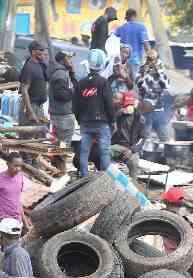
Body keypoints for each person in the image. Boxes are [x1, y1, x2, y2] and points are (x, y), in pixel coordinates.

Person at [73, 49, 114, 177]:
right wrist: (112, 120)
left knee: (84, 152)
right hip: (102, 122)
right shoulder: (103, 82)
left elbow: (75, 105)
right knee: (104, 151)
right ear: (102, 64)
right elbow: (109, 103)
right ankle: (105, 179)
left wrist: (80, 120)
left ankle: (84, 177)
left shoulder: (81, 83)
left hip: (85, 122)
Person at [137, 49, 171, 142]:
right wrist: (144, 73)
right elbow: (138, 85)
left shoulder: (161, 70)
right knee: (145, 135)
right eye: (148, 58)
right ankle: (144, 154)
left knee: (164, 136)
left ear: (156, 59)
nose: (150, 60)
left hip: (158, 108)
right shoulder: (142, 69)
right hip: (146, 109)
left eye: (152, 58)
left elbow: (166, 85)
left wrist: (157, 71)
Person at [0, 156, 28, 229]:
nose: (18, 169)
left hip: (17, 220)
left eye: (20, 166)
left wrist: (25, 224)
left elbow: (18, 202)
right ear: (8, 164)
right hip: (2, 220)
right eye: (15, 166)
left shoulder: (20, 177)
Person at [49, 50, 77, 146]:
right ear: (62, 61)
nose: (71, 61)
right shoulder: (60, 73)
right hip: (62, 117)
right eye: (68, 58)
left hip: (61, 115)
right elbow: (61, 95)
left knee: (58, 146)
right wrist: (73, 91)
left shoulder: (65, 72)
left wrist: (72, 74)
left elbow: (73, 87)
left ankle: (58, 161)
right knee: (63, 147)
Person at [19, 41, 49, 125]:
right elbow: (24, 90)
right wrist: (30, 111)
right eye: (41, 50)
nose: (44, 52)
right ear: (33, 52)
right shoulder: (29, 67)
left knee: (39, 134)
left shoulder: (41, 65)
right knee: (29, 134)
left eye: (44, 50)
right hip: (31, 105)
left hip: (39, 106)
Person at [115, 9, 149, 78]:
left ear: (126, 17)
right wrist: (150, 58)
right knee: (135, 80)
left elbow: (114, 42)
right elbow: (145, 43)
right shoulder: (142, 27)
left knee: (125, 79)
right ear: (135, 16)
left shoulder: (120, 28)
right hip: (136, 60)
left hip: (123, 60)